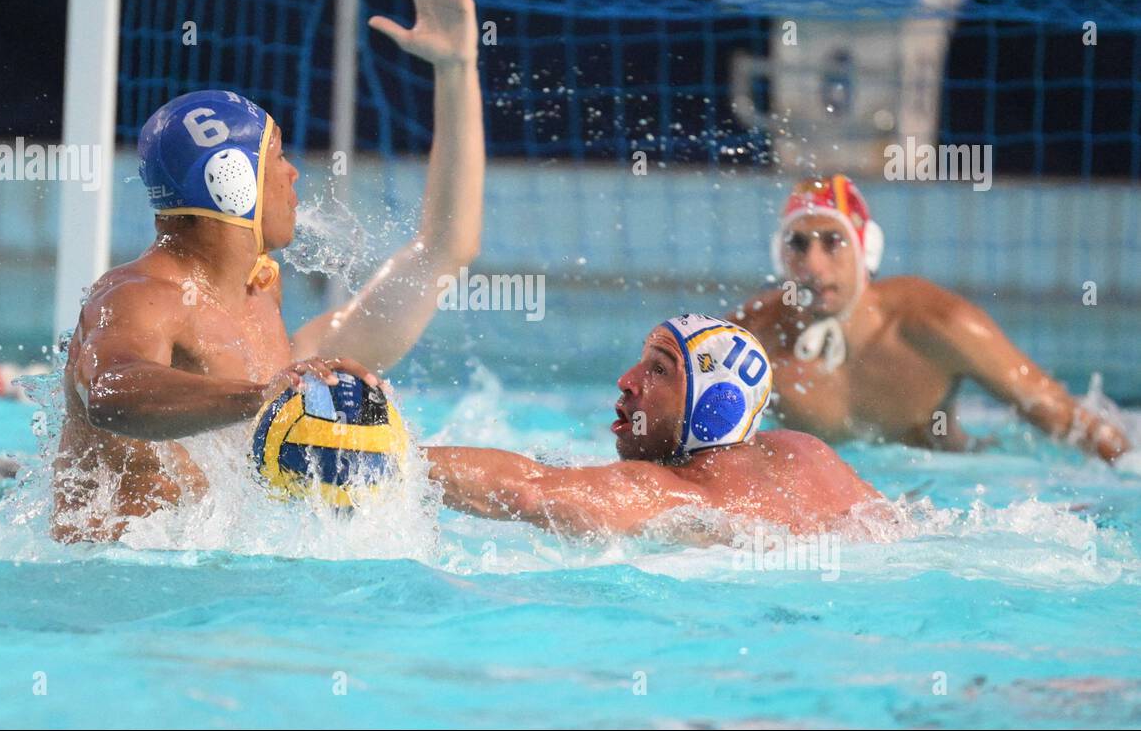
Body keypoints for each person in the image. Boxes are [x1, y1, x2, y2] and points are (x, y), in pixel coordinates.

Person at [54, 0, 484, 542]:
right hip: (111, 595)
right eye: (277, 155)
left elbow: (443, 249)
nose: (293, 175)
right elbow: (110, 391)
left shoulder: (259, 298)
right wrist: (262, 397)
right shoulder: (140, 294)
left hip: (198, 594)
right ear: (231, 180)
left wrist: (457, 70)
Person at [733, 175, 1131, 462]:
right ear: (778, 255)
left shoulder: (937, 324)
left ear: (865, 249)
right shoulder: (753, 338)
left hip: (945, 491)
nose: (813, 266)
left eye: (832, 242)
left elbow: (1060, 414)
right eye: (797, 245)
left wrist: (1128, 470)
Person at [425, 315, 880, 542]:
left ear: (715, 407)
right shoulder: (806, 453)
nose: (627, 381)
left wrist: (388, 456)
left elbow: (529, 489)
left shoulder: (665, 493)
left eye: (659, 370)